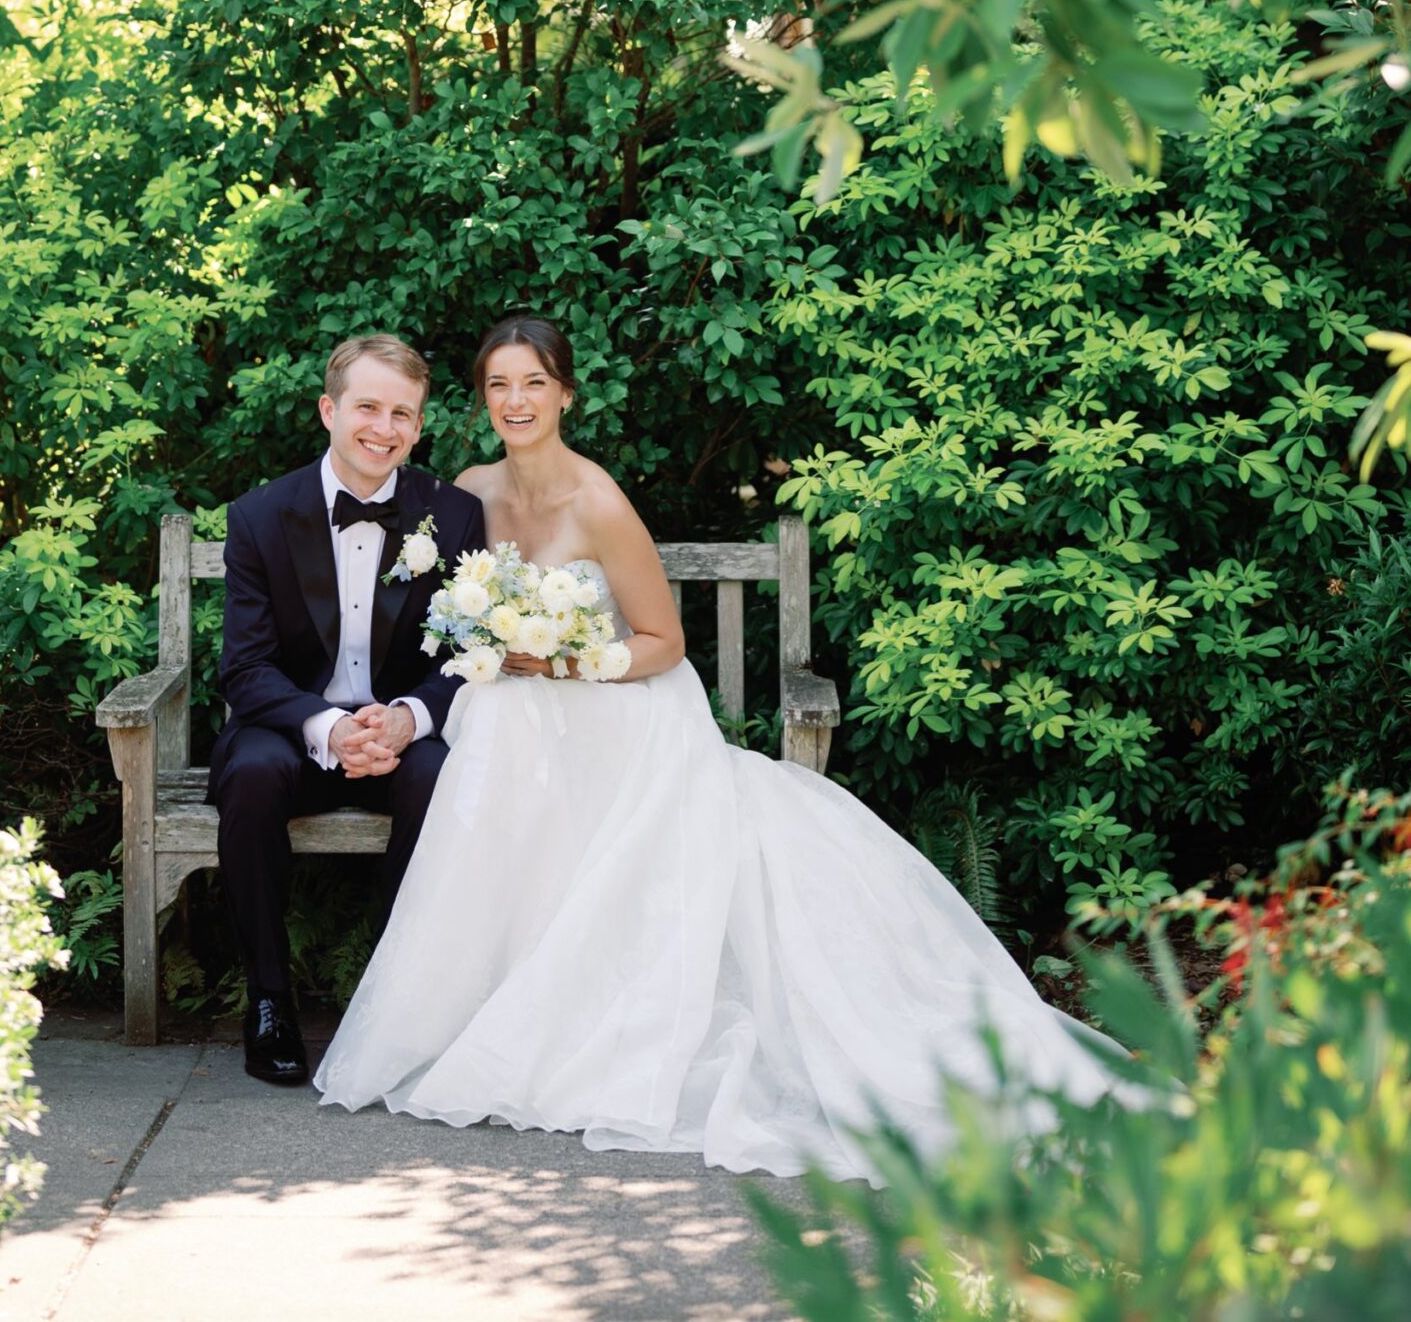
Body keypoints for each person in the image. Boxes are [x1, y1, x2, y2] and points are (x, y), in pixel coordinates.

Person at [314, 315, 1122, 1179]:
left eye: (534, 384)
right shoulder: (467, 490)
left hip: (618, 704)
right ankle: (483, 1010)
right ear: (481, 399)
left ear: (565, 394)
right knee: (500, 718)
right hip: (519, 708)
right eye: (499, 385)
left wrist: (562, 658)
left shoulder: (597, 500)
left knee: (510, 720)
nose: (516, 401)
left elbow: (663, 640)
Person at [208, 332, 486, 1086]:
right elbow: (245, 667)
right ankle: (269, 1000)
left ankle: (395, 998)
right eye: (367, 406)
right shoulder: (261, 516)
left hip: (400, 729)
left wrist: (407, 718)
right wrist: (328, 726)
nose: (383, 427)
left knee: (440, 776)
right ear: (329, 410)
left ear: (419, 427)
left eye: (403, 413)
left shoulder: (453, 515)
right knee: (253, 774)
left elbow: (468, 652)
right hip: (292, 730)